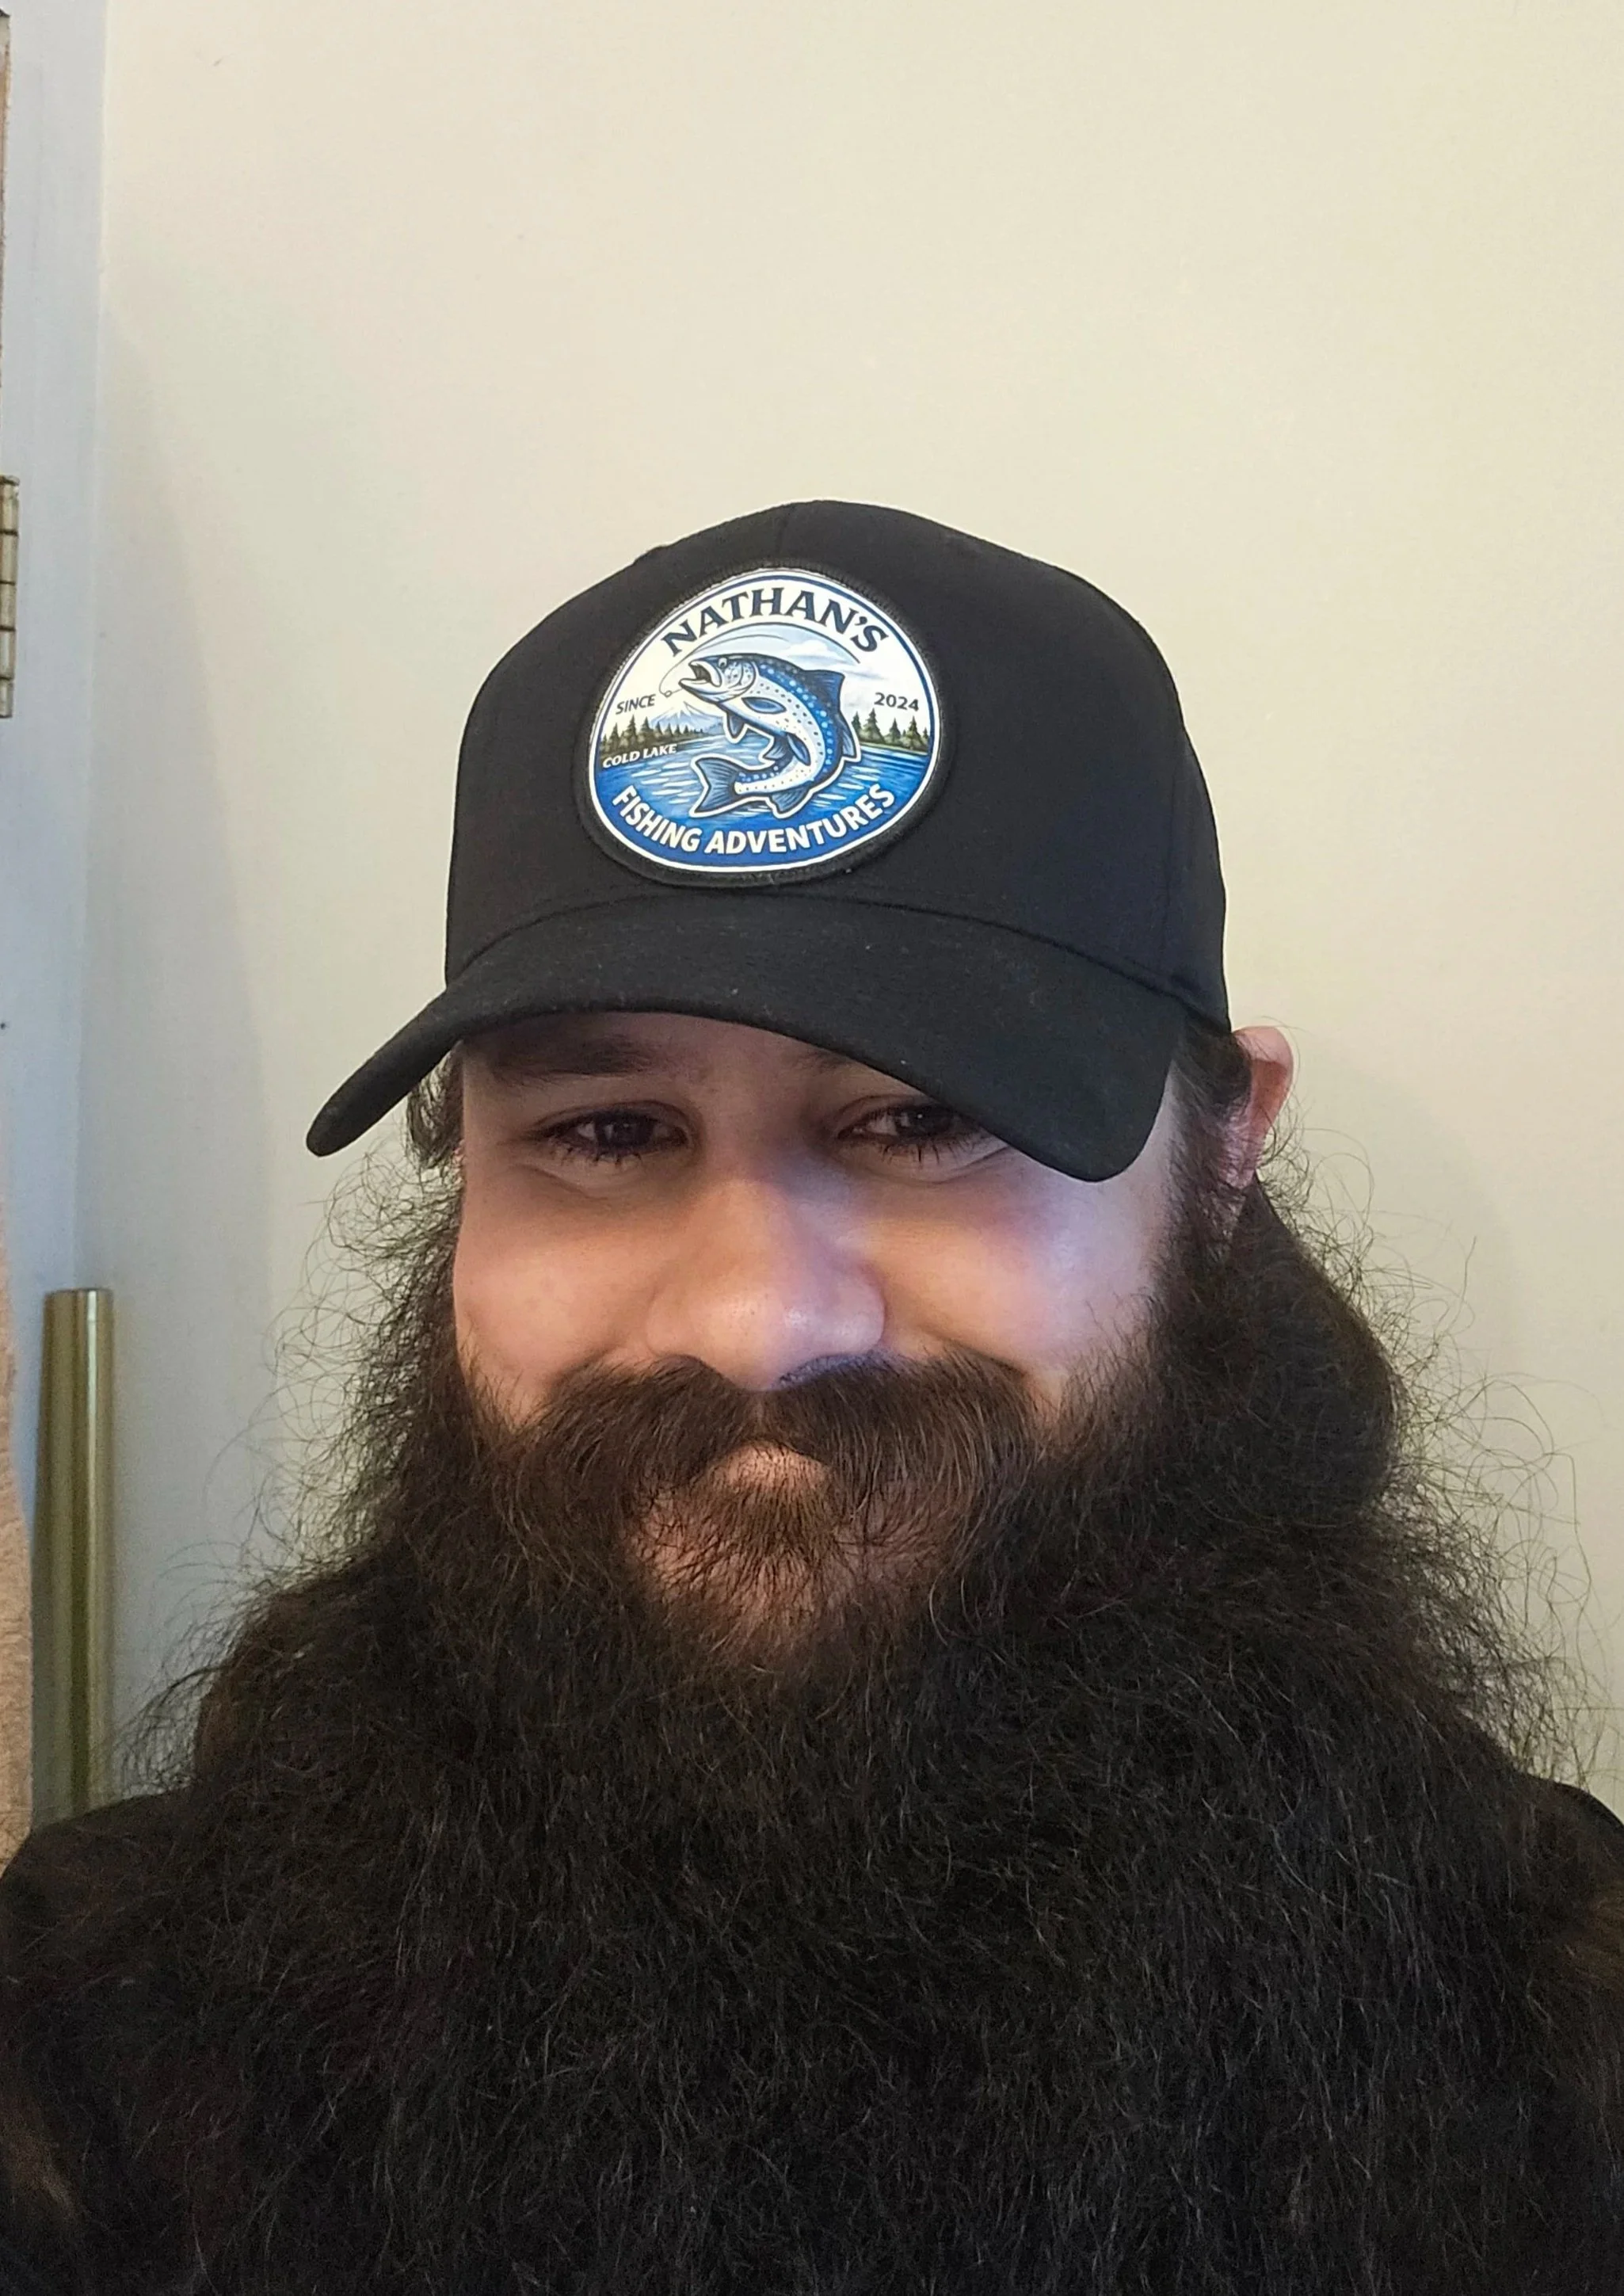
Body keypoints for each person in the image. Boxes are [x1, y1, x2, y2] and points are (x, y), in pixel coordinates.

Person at [2, 502, 1622, 2295]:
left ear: (1226, 1154)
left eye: (922, 1121)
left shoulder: (1558, 2041)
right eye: (605, 1132)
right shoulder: (96, 2043)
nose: (756, 1323)